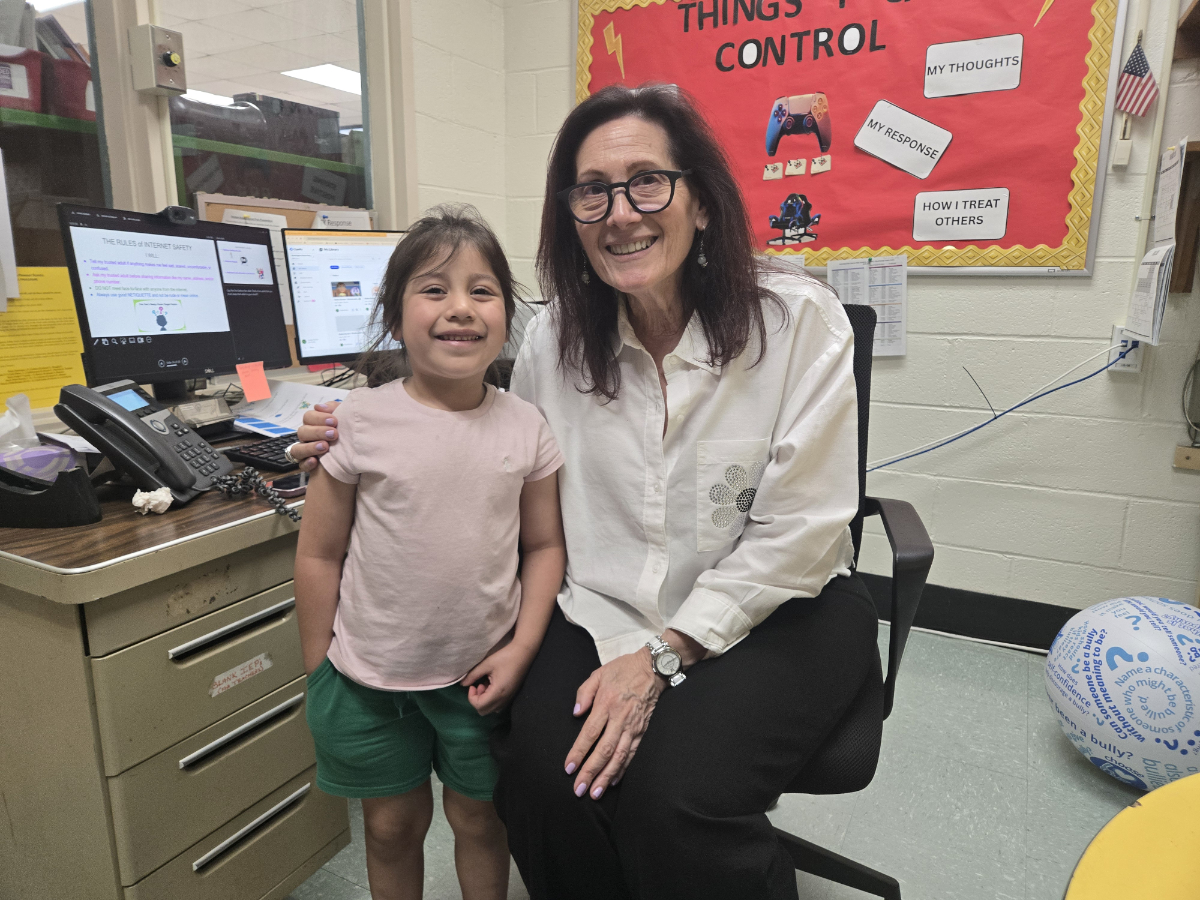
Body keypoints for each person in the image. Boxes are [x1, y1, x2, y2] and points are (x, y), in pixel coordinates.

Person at [291, 84, 879, 900]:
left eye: (647, 182)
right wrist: (344, 427)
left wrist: (665, 656)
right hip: (601, 603)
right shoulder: (556, 338)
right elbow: (494, 452)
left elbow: (804, 533)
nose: (620, 212)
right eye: (592, 191)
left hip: (775, 608)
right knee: (541, 777)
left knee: (673, 797)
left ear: (701, 202)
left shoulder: (796, 322)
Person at [294, 205, 566, 900]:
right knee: (389, 827)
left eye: (483, 291)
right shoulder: (352, 423)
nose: (460, 309)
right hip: (366, 680)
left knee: (480, 820)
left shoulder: (527, 426)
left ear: (508, 313)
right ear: (394, 312)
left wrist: (524, 647)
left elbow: (543, 546)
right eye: (434, 289)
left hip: (481, 678)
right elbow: (320, 554)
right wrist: (320, 667)